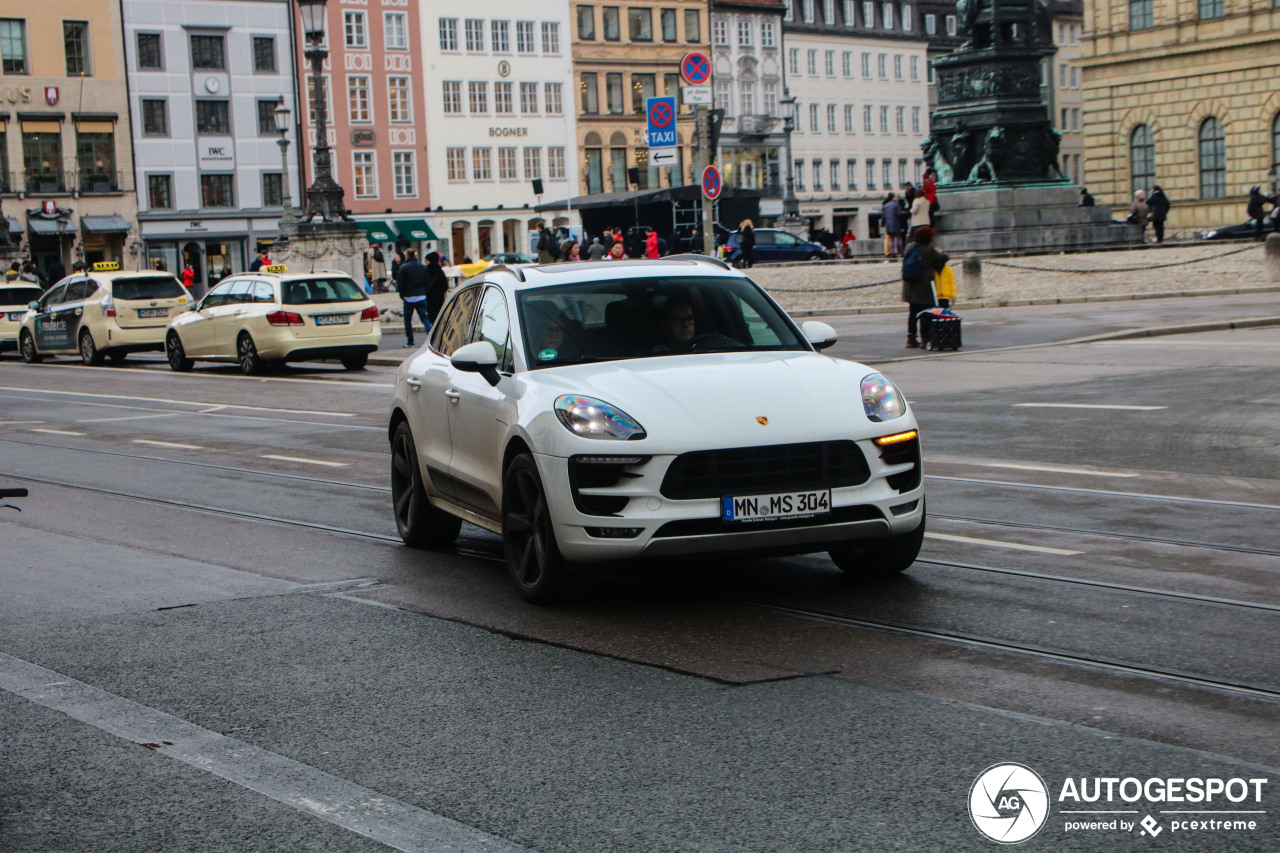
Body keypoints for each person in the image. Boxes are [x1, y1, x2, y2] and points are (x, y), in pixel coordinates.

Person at [901, 226, 948, 348]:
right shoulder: (929, 250)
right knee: (925, 313)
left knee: (913, 313)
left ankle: (911, 338)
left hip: (909, 285)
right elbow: (942, 258)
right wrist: (943, 253)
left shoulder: (909, 247)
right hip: (923, 286)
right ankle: (925, 339)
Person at [396, 250, 431, 347]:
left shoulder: (403, 268)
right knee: (425, 318)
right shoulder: (422, 267)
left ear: (407, 256)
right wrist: (425, 292)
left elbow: (400, 284)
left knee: (407, 320)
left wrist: (402, 295)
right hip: (421, 295)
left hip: (408, 297)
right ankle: (431, 336)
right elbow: (427, 282)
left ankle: (410, 341)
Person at [424, 251, 449, 324]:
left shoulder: (426, 270)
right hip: (439, 297)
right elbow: (445, 286)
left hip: (429, 297)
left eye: (426, 260)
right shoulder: (440, 271)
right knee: (438, 316)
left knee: (431, 316)